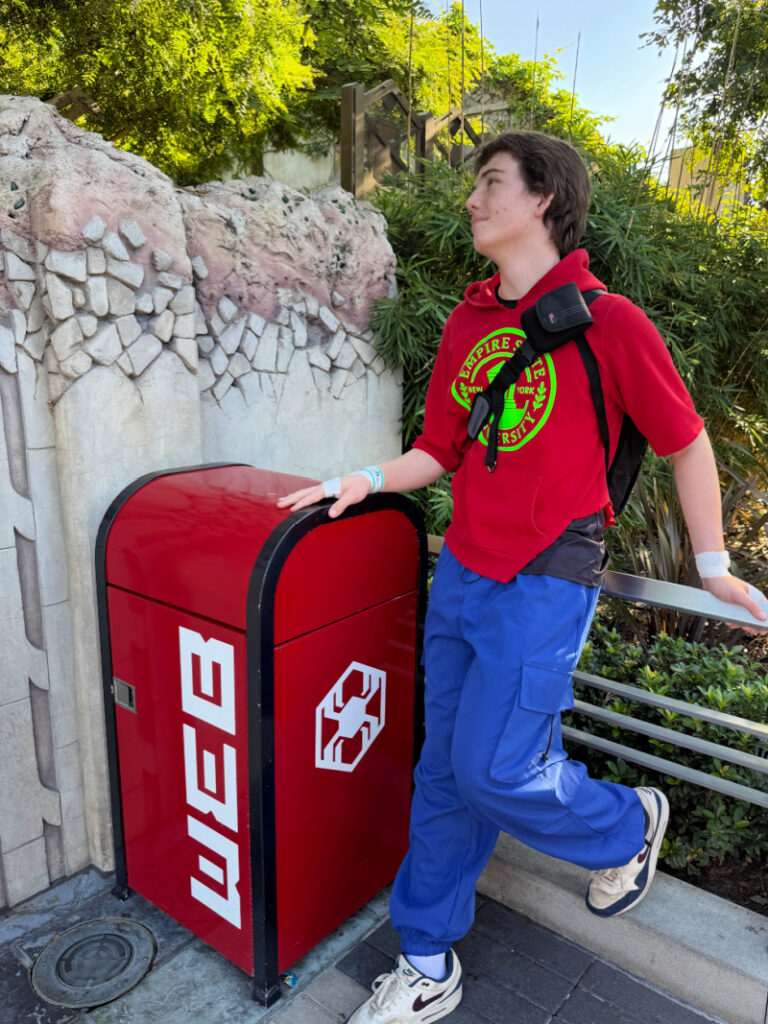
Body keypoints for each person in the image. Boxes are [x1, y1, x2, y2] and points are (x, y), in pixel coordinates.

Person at [278, 131, 767, 1024]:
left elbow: (686, 439)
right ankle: (425, 960)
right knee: (443, 772)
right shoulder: (468, 321)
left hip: (547, 581)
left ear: (543, 198)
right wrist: (363, 481)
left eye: (490, 183)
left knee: (497, 770)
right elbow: (439, 450)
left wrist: (714, 565)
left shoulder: (609, 321)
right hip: (463, 572)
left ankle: (626, 825)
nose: (472, 200)